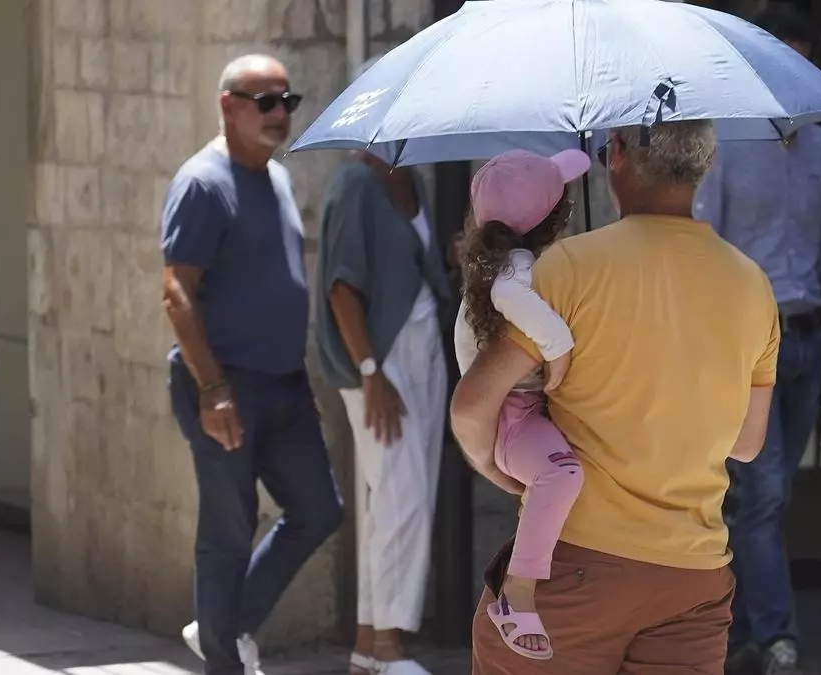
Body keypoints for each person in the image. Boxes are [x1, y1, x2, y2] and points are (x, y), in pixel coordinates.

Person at [451, 119, 781, 675]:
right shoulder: (753, 285)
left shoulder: (567, 268)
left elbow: (470, 406)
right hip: (693, 579)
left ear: (618, 153)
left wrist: (497, 467)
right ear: (707, 163)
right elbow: (746, 443)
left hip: (579, 565)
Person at [693, 8, 821, 675]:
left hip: (807, 341)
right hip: (746, 343)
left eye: (801, 66)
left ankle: (740, 630)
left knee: (765, 496)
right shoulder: (723, 147)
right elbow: (704, 253)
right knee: (765, 492)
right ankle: (779, 638)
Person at [161, 54, 345, 675]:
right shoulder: (202, 183)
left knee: (319, 509)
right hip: (225, 383)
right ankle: (223, 659)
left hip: (284, 385)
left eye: (287, 102)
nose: (278, 114)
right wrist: (212, 387)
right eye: (264, 102)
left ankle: (226, 626)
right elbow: (176, 292)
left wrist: (297, 373)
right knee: (229, 529)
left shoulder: (277, 178)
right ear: (228, 106)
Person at [314, 60, 454, 675]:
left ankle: (370, 646)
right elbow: (341, 288)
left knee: (401, 499)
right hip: (379, 359)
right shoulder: (355, 183)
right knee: (401, 498)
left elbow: (414, 271)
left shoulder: (410, 178)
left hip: (423, 351)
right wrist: (371, 372)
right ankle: (389, 646)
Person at [454, 149, 592, 660]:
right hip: (514, 417)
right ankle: (518, 592)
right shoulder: (516, 269)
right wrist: (559, 347)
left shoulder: (503, 263)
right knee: (561, 474)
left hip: (521, 412)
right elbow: (511, 299)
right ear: (555, 220)